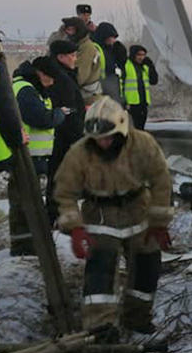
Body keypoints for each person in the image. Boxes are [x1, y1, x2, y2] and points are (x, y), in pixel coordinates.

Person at [54, 97, 172, 336]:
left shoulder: (143, 144)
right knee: (100, 273)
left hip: (138, 211)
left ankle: (137, 317)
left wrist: (159, 223)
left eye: (108, 138)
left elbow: (161, 181)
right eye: (97, 139)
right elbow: (64, 193)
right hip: (100, 217)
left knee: (147, 268)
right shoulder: (79, 153)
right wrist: (75, 228)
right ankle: (100, 328)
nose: (103, 144)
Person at [8, 57, 68, 255]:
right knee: (24, 205)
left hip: (33, 157)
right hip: (25, 157)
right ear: (41, 74)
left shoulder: (32, 88)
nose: (52, 83)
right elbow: (41, 118)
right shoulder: (25, 90)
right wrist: (59, 114)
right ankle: (24, 248)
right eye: (50, 79)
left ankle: (29, 245)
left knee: (29, 204)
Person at [46, 40, 85, 221]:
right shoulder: (60, 78)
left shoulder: (63, 74)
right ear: (61, 57)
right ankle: (56, 215)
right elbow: (67, 110)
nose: (75, 59)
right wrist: (77, 137)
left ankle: (57, 214)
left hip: (64, 134)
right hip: (64, 136)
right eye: (72, 55)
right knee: (60, 177)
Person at [66, 17, 103, 105]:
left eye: (71, 30)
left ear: (78, 30)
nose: (67, 33)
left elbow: (80, 76)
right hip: (83, 97)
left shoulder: (86, 48)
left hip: (88, 98)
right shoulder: (77, 45)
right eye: (66, 30)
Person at [124, 45, 158, 130]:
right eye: (139, 55)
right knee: (133, 128)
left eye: (143, 55)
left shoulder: (145, 66)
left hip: (143, 102)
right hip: (131, 103)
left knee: (141, 127)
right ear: (133, 55)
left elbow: (153, 81)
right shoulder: (126, 65)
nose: (141, 57)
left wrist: (151, 67)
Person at [92, 22, 126, 103]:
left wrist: (120, 51)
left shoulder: (112, 49)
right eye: (111, 37)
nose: (113, 40)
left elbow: (122, 64)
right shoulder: (95, 48)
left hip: (112, 85)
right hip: (100, 85)